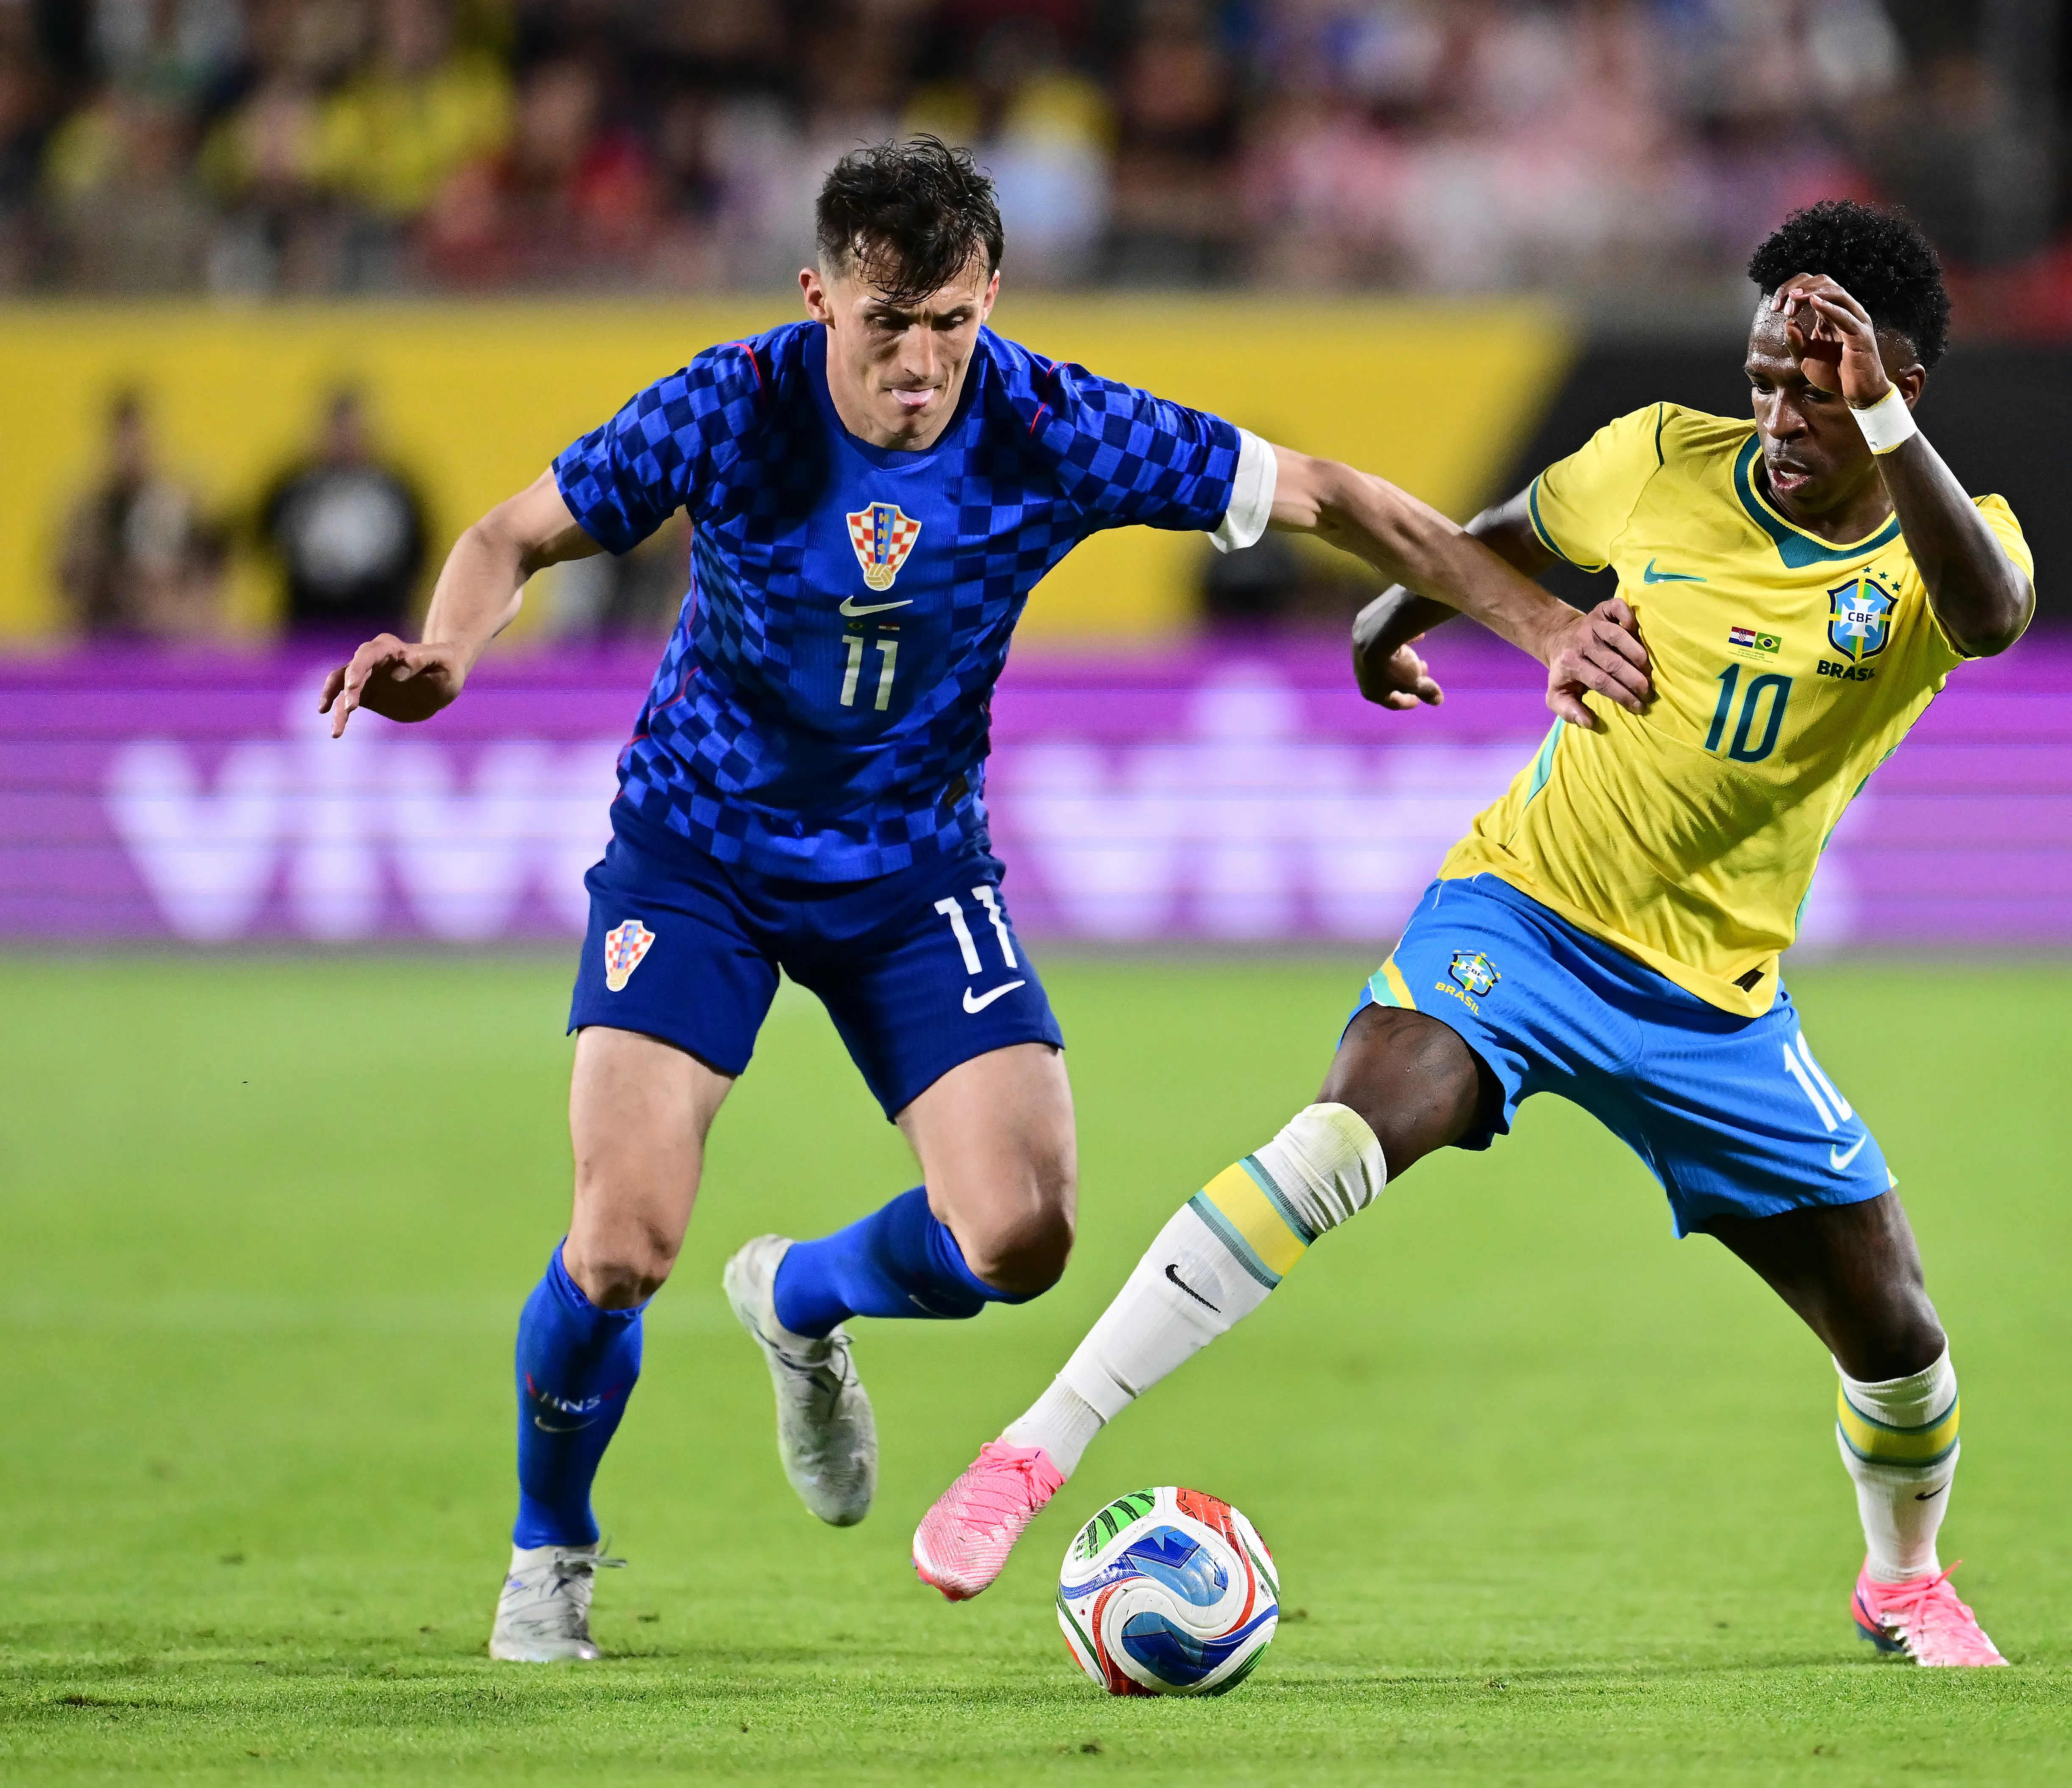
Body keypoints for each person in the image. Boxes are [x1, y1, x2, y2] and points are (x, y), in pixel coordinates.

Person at [316, 135, 1647, 1665]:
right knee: (620, 1242)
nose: (921, 364)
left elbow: (1330, 494)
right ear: (820, 296)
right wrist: (447, 650)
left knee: (1022, 1232)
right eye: (887, 325)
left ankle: (802, 1296)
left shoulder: (1051, 421)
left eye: (951, 323)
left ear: (990, 297)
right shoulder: (730, 405)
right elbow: (507, 536)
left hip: (912, 866)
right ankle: (550, 1548)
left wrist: (1543, 621)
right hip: (701, 851)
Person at [913, 199, 2036, 1669]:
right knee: (1345, 1134)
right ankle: (1034, 1447)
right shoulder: (1657, 459)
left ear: (1895, 379)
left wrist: (1877, 417)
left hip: (1716, 1003)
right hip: (1529, 913)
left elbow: (1995, 614)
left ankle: (1905, 1580)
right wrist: (1394, 617)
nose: (1779, 408)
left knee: (1899, 1340)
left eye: (1817, 380)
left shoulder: (1942, 545)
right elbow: (1501, 539)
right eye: (1765, 372)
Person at [56, 389, 226, 640]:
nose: (131, 451)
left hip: (166, 638)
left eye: (138, 439)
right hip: (106, 636)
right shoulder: (91, 512)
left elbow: (207, 578)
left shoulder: (178, 504)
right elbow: (68, 584)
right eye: (123, 441)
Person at [257, 387, 430, 635]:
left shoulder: (396, 492)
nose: (345, 441)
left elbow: (420, 552)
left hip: (379, 621)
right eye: (338, 432)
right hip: (306, 623)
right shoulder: (295, 489)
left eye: (354, 432)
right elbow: (264, 541)